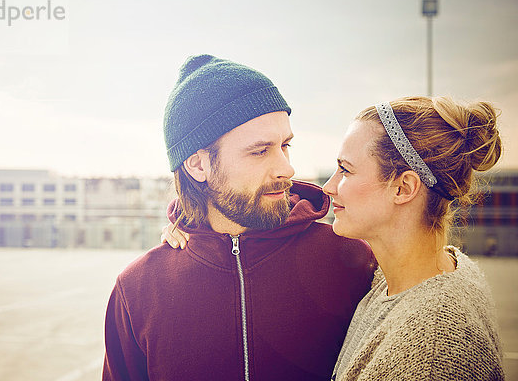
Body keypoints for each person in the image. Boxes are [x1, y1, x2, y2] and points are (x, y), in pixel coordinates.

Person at [102, 54, 376, 380]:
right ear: (198, 165)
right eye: (260, 151)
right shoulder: (138, 290)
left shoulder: (350, 259)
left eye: (285, 145)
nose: (286, 168)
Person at [324, 97, 505, 380]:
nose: (328, 187)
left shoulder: (434, 348)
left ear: (403, 188)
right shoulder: (419, 276)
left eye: (345, 170)